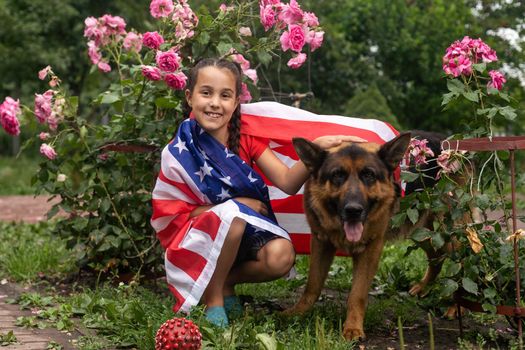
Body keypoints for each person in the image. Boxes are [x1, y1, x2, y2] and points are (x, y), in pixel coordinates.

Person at [150, 57, 365, 327]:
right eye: (206, 93)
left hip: (242, 238)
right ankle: (215, 298)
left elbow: (287, 182)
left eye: (225, 95)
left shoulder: (247, 140)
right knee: (233, 219)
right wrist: (235, 206)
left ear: (236, 102)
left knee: (281, 256)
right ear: (189, 97)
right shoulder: (179, 150)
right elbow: (173, 212)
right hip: (198, 237)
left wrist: (316, 149)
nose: (215, 103)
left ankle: (223, 280)